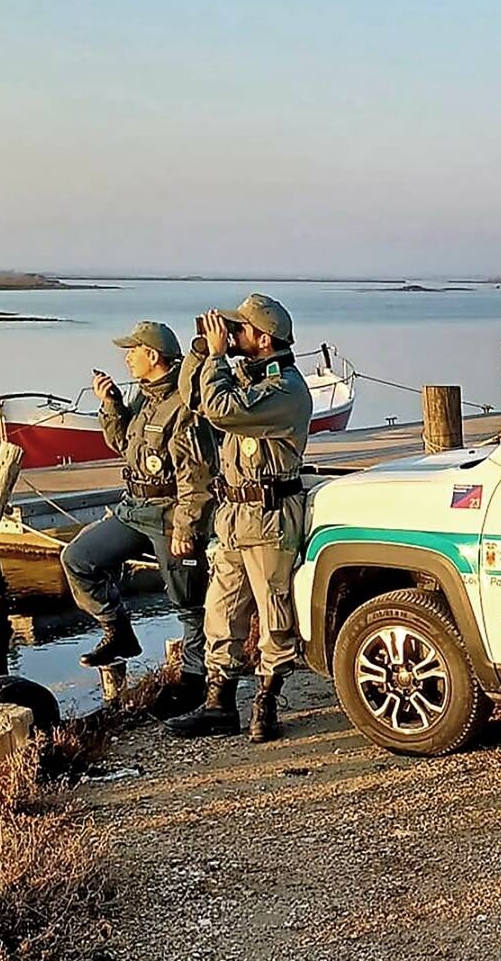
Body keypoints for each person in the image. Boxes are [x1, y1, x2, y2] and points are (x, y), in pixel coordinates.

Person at [168, 294, 312, 743]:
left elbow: (222, 409)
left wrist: (216, 357)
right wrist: (200, 354)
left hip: (269, 515)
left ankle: (266, 700)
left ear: (263, 338)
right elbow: (194, 399)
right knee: (222, 610)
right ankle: (219, 703)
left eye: (239, 330)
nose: (231, 336)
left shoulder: (285, 389)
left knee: (274, 614)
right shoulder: (242, 375)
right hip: (233, 515)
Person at [60, 321, 214, 716]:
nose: (127, 357)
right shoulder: (143, 399)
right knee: (78, 559)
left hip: (170, 515)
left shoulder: (184, 405)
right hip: (135, 508)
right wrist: (111, 403)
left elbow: (195, 477)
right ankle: (119, 631)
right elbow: (123, 445)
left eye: (133, 350)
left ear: (154, 356)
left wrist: (186, 529)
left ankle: (195, 681)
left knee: (188, 602)